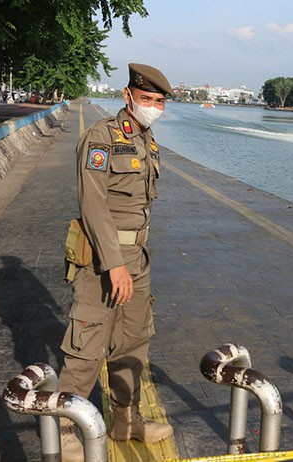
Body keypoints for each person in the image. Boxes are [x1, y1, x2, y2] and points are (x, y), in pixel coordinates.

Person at [59, 63, 173, 461]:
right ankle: (66, 430)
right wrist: (113, 263)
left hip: (138, 258)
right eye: (146, 100)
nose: (153, 107)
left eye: (159, 102)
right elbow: (92, 204)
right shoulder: (101, 138)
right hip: (102, 263)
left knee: (132, 344)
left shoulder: (147, 141)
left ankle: (126, 420)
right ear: (128, 97)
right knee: (87, 348)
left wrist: (131, 260)